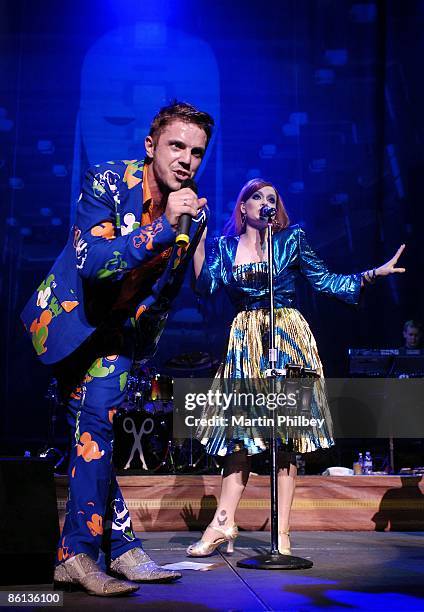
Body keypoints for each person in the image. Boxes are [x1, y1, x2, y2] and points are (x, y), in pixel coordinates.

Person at [21, 101, 214, 596]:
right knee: (94, 438)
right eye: (176, 146)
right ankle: (121, 546)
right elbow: (95, 265)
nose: (186, 161)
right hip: (69, 323)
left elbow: (170, 289)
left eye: (196, 152)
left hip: (118, 337)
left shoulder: (192, 211)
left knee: (96, 427)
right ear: (151, 146)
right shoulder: (106, 181)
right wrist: (163, 228)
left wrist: (195, 245)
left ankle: (82, 557)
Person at [188, 177, 405, 557]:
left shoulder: (292, 240)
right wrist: (198, 240)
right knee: (240, 436)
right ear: (243, 207)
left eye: (271, 198)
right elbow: (206, 286)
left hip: (288, 338)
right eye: (256, 197)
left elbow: (325, 281)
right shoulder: (224, 248)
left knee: (288, 439)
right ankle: (222, 522)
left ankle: (283, 535)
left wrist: (373, 274)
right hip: (246, 342)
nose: (264, 202)